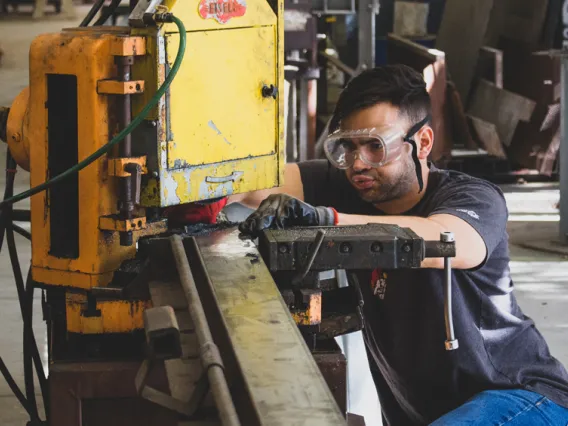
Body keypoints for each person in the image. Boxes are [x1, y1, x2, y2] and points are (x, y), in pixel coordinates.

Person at [229, 64, 568, 425]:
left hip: (521, 397)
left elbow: (449, 241)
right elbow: (249, 183)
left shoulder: (472, 196)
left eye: (376, 146)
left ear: (421, 143)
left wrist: (327, 221)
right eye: (347, 147)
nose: (358, 163)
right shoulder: (350, 186)